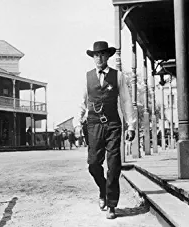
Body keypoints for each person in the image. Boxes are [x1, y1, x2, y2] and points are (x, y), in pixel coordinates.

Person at [79, 41, 136, 219]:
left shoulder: (118, 76)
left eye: (103, 54)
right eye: (96, 55)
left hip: (112, 124)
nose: (99, 58)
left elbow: (126, 101)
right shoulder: (87, 77)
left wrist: (131, 124)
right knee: (94, 164)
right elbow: (82, 102)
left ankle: (112, 205)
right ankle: (103, 189)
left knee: (113, 165)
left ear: (108, 56)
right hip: (94, 124)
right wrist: (79, 120)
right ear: (93, 57)